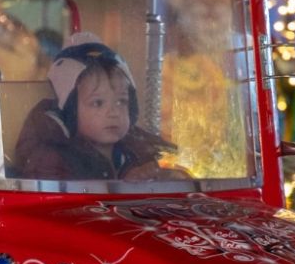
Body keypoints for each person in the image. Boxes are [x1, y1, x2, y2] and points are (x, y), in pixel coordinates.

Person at [15, 34, 187, 181]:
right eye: (98, 103)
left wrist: (168, 176)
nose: (114, 112)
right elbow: (61, 205)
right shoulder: (51, 160)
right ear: (70, 111)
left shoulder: (138, 151)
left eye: (121, 101)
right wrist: (125, 188)